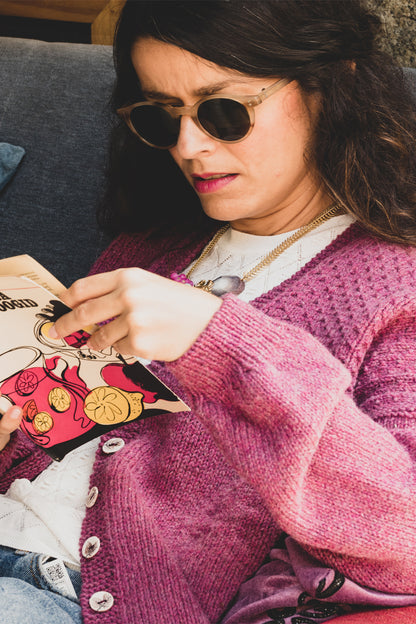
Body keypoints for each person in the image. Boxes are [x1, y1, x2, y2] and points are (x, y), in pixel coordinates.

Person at [0, 1, 416, 622]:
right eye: (163, 118)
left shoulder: (395, 285)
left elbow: (401, 529)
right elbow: (61, 433)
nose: (190, 147)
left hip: (69, 596)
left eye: (224, 111)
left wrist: (218, 339)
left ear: (331, 85)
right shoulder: (148, 246)